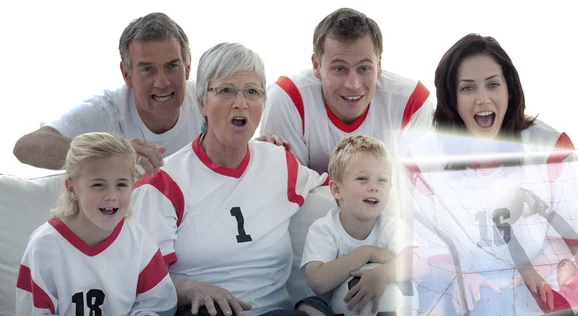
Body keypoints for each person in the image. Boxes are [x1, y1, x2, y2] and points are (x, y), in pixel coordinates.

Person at [131, 42, 331, 316]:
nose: (241, 103)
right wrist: (190, 290)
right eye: (225, 90)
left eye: (252, 91)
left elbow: (344, 190)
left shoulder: (279, 162)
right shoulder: (163, 184)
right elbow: (142, 283)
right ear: (202, 102)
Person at [402, 33, 578, 315]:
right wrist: (457, 276)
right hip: (460, 289)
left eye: (493, 84)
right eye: (468, 88)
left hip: (542, 284)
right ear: (451, 97)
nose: (482, 98)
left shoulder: (549, 146)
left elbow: (576, 232)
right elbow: (420, 244)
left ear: (509, 90)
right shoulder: (422, 160)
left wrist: (532, 273)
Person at [12, 12, 286, 177]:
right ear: (126, 74)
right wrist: (108, 154)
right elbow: (26, 148)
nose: (162, 82)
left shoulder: (205, 99)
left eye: (172, 66)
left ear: (188, 66)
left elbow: (228, 141)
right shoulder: (107, 110)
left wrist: (257, 149)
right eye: (147, 70)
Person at [15, 132, 177, 315]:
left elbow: (157, 303)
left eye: (121, 184)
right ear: (72, 188)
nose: (111, 195)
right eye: (98, 185)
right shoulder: (44, 247)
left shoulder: (138, 240)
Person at [260, 7, 434, 175]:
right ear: (316, 66)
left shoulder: (412, 102)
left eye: (364, 68)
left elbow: (413, 193)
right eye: (339, 69)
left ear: (379, 65)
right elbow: (286, 190)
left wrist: (315, 182)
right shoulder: (287, 97)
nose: (353, 84)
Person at [300, 134, 428, 315]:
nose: (374, 186)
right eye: (362, 179)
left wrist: (383, 273)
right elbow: (318, 281)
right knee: (308, 307)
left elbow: (421, 264)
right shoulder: (324, 229)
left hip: (386, 307)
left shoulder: (391, 227)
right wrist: (367, 253)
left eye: (382, 180)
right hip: (332, 309)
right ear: (337, 190)